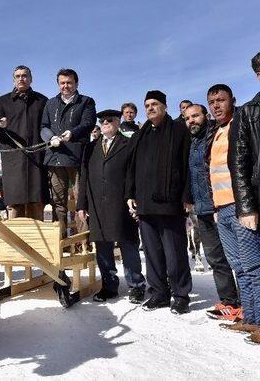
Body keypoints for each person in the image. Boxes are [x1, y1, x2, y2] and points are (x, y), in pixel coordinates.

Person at [126, 90, 192, 314]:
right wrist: (130, 194)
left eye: (155, 104)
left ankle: (181, 294)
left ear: (164, 106)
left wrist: (186, 196)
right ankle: (159, 293)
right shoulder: (140, 134)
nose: (150, 108)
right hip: (145, 203)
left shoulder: (178, 130)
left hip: (170, 203)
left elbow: (186, 166)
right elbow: (131, 168)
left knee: (175, 254)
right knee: (152, 254)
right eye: (147, 105)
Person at [77, 109, 146, 303]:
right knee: (103, 247)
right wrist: (81, 204)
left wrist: (133, 197)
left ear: (118, 122)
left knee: (128, 244)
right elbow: (84, 178)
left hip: (123, 202)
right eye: (102, 120)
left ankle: (136, 286)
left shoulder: (128, 143)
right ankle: (109, 286)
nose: (105, 123)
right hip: (97, 205)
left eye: (110, 120)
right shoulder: (90, 148)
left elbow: (135, 173)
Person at [184, 103, 240, 320]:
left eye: (195, 116)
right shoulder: (191, 142)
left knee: (238, 258)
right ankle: (229, 302)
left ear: (205, 116)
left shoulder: (215, 135)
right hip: (202, 209)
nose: (192, 121)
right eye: (188, 118)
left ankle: (250, 302)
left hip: (223, 205)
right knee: (215, 258)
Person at [223, 66, 260, 337]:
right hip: (246, 202)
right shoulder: (249, 112)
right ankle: (253, 317)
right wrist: (246, 206)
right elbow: (239, 163)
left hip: (236, 205)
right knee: (247, 265)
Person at [40, 68, 96, 239]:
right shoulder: (50, 103)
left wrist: (72, 133)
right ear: (58, 84)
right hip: (55, 158)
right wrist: (50, 138)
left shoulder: (86, 101)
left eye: (69, 82)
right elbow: (44, 126)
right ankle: (60, 241)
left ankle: (83, 241)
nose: (66, 86)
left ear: (76, 83)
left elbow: (88, 123)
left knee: (82, 201)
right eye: (62, 83)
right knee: (57, 202)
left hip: (77, 157)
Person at [0, 65, 48, 220]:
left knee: (37, 203)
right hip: (14, 161)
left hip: (37, 160)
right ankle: (14, 243)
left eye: (24, 75)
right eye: (18, 76)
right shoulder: (2, 101)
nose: (21, 78)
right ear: (13, 80)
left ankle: (37, 245)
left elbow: (48, 128)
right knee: (15, 204)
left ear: (30, 79)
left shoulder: (42, 101)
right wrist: (0, 124)